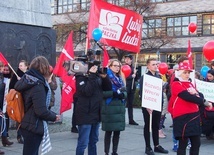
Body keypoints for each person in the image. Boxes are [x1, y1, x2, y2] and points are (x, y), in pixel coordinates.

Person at [14, 56, 60, 155]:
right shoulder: (37, 85)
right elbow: (40, 111)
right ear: (43, 68)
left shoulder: (28, 80)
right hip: (34, 126)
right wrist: (53, 117)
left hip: (27, 123)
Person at [168, 62, 212, 155]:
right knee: (182, 145)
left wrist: (196, 94)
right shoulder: (176, 84)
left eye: (188, 72)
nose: (187, 74)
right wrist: (205, 102)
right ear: (179, 72)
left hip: (194, 116)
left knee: (196, 143)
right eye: (185, 72)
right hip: (182, 117)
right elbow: (187, 97)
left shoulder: (190, 83)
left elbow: (199, 95)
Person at [75, 62, 109, 155]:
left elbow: (108, 88)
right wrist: (92, 76)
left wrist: (105, 77)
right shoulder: (80, 77)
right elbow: (87, 92)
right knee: (83, 143)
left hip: (96, 114)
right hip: (85, 115)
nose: (95, 68)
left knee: (93, 141)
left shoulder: (97, 77)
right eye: (93, 66)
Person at [139, 58, 168, 155]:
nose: (155, 66)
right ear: (148, 66)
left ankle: (157, 145)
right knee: (148, 126)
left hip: (157, 104)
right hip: (148, 106)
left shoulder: (159, 76)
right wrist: (147, 106)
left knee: (156, 125)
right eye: (153, 64)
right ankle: (148, 147)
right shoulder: (145, 77)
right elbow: (142, 92)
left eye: (156, 64)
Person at [101, 59, 127, 155]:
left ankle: (114, 151)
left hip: (119, 108)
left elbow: (125, 92)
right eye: (115, 65)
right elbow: (102, 93)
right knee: (108, 132)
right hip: (109, 107)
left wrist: (122, 95)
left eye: (119, 66)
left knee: (117, 132)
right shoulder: (105, 77)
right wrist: (114, 93)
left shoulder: (120, 77)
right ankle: (106, 152)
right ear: (110, 66)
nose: (117, 68)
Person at [9, 60, 28, 144]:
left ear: (26, 67)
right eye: (19, 65)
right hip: (18, 99)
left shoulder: (28, 75)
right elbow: (12, 87)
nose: (19, 67)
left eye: (21, 65)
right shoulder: (15, 75)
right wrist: (18, 81)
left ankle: (26, 135)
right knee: (19, 117)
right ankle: (19, 135)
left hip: (27, 100)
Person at [124, 54, 138, 125]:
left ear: (131, 60)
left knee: (130, 104)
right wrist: (131, 76)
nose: (126, 59)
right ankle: (122, 118)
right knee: (123, 104)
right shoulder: (123, 67)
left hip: (132, 88)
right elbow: (123, 77)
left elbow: (136, 78)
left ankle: (131, 119)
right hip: (126, 87)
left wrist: (135, 74)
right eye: (126, 58)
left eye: (128, 58)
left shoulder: (133, 67)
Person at [201, 69, 214, 140]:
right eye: (208, 76)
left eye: (210, 76)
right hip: (207, 104)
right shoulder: (205, 83)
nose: (208, 78)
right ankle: (208, 133)